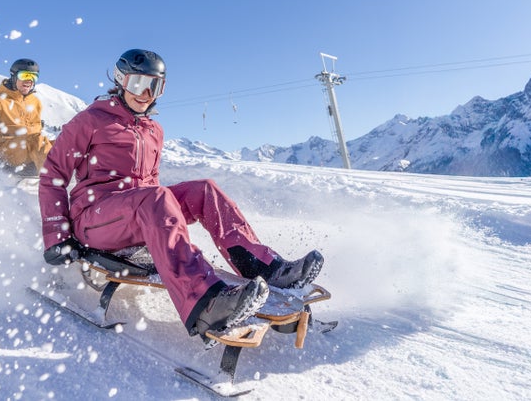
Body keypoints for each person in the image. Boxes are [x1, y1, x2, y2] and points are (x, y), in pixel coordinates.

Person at [38, 49, 324, 337]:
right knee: (155, 197)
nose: (146, 93)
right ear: (121, 80)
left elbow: (149, 183)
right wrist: (57, 237)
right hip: (94, 218)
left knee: (205, 190)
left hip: (137, 213)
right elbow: (53, 175)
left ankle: (267, 268)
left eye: (156, 86)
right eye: (138, 84)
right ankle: (206, 303)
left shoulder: (153, 130)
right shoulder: (90, 121)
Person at [0, 58, 54, 175]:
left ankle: (74, 180)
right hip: (5, 155)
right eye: (25, 75)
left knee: (65, 142)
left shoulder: (35, 103)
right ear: (14, 77)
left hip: (30, 153)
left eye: (34, 77)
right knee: (36, 140)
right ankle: (51, 182)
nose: (29, 80)